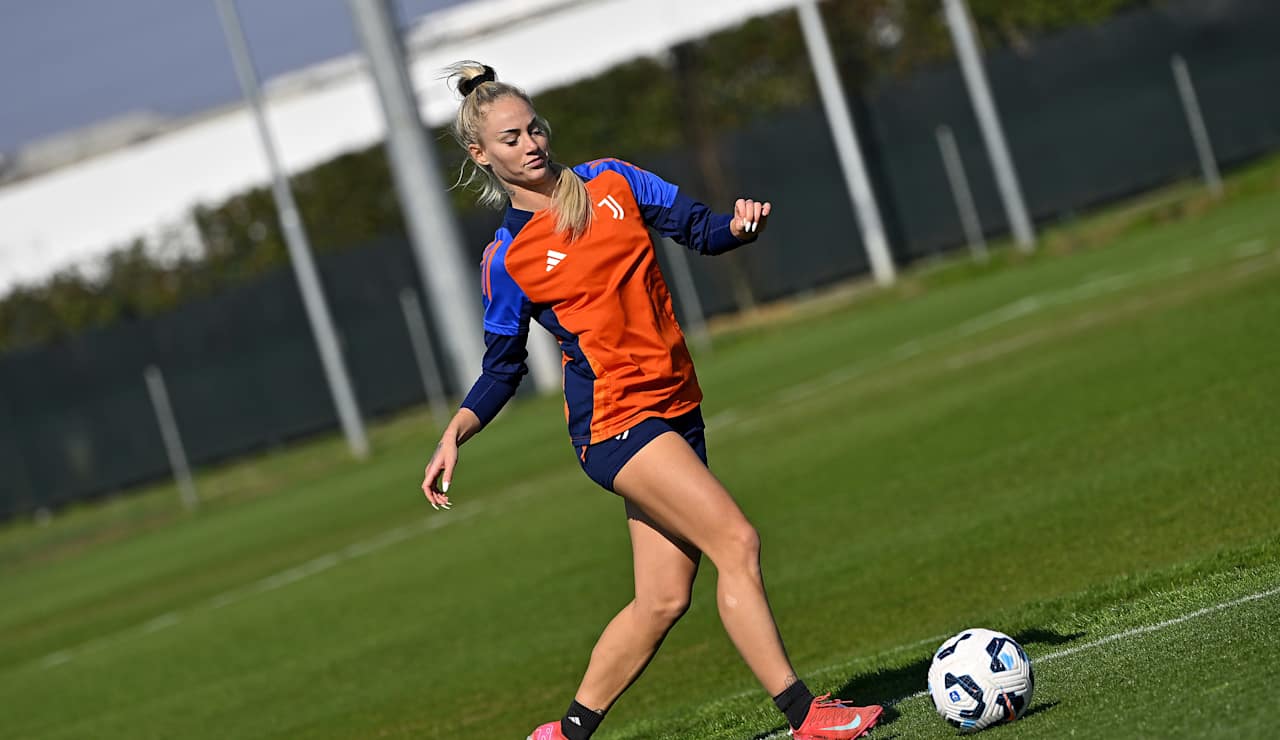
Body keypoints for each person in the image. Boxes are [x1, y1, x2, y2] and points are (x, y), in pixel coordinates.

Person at [421, 61, 882, 740]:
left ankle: (565, 733)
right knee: (738, 541)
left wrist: (739, 227)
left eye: (535, 128)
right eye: (512, 138)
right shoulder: (507, 257)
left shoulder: (614, 180)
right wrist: (456, 431)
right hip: (615, 424)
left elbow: (700, 229)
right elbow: (502, 367)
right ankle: (806, 715)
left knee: (663, 599)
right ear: (480, 154)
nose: (533, 144)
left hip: (677, 407)